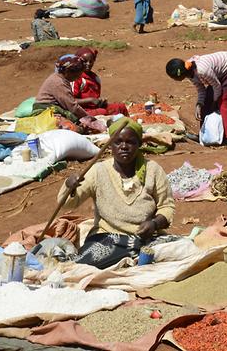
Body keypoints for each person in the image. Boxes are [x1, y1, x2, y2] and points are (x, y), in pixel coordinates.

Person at [60, 117, 174, 269]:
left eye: (131, 142)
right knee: (83, 266)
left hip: (145, 239)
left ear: (140, 144)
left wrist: (154, 224)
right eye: (118, 142)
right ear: (110, 145)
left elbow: (167, 207)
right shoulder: (97, 171)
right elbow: (68, 203)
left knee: (184, 249)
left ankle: (135, 262)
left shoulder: (153, 170)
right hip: (108, 238)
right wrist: (69, 186)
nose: (124, 147)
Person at [166, 51, 227, 142]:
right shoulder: (188, 71)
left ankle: (224, 137)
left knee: (224, 100)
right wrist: (199, 104)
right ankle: (203, 135)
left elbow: (216, 86)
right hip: (219, 73)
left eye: (173, 78)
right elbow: (201, 89)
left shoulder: (202, 70)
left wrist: (215, 101)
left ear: (179, 75)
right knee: (207, 101)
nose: (174, 80)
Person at [71, 47, 129, 116]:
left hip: (95, 108)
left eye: (91, 61)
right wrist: (90, 100)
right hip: (83, 110)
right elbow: (71, 101)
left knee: (120, 106)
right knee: (103, 112)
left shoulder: (95, 78)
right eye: (84, 61)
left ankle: (130, 124)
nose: (88, 64)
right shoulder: (76, 78)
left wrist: (100, 102)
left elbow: (96, 98)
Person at [34, 55, 91, 121]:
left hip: (52, 108)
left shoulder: (60, 79)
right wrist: (90, 119)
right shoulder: (58, 83)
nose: (78, 78)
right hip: (45, 111)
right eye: (77, 75)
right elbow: (72, 106)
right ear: (67, 72)